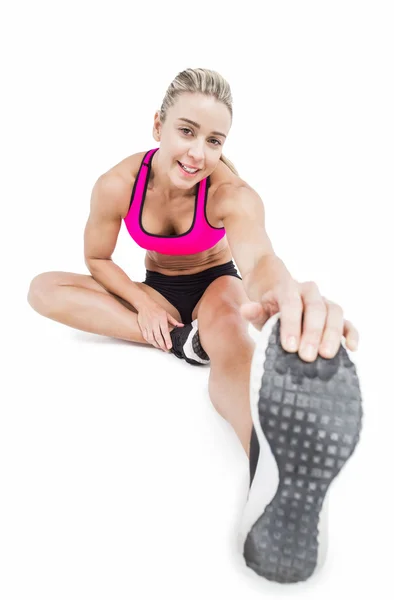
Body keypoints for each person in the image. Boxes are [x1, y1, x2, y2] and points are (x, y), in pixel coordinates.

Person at [27, 68, 363, 584]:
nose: (197, 153)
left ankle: (266, 461)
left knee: (228, 328)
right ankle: (184, 343)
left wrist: (285, 292)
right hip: (156, 290)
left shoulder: (231, 193)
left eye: (214, 140)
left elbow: (260, 259)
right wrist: (142, 301)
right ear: (158, 124)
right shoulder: (117, 183)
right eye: (186, 131)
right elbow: (97, 258)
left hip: (215, 285)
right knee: (43, 289)